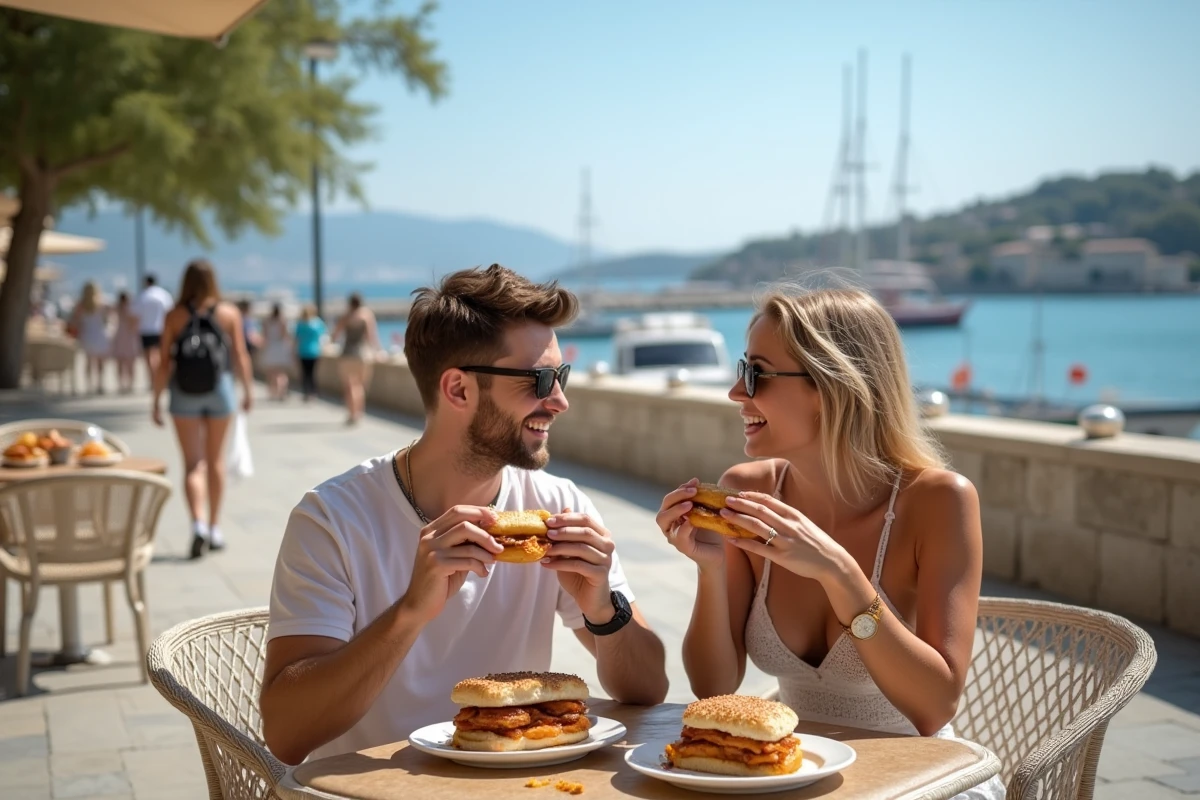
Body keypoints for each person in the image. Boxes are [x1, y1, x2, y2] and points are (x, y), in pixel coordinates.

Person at [260, 264, 669, 765]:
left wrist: (604, 610)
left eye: (560, 375)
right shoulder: (333, 520)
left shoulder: (558, 505)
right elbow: (286, 734)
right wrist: (411, 611)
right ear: (458, 390)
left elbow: (649, 689)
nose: (560, 400)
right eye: (540, 379)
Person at [656, 286, 1004, 800]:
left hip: (919, 781)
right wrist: (711, 569)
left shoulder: (938, 501)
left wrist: (838, 574)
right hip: (796, 775)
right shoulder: (748, 491)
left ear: (830, 385)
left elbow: (934, 708)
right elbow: (714, 689)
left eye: (755, 373)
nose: (735, 392)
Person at [152, 259, 254, 560]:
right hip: (220, 390)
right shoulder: (228, 313)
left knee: (193, 463)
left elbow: (163, 363)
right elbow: (240, 356)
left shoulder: (174, 316)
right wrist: (248, 392)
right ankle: (215, 527)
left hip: (183, 393)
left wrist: (155, 401)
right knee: (216, 460)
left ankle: (196, 523)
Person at [332, 292, 381, 425]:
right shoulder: (367, 315)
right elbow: (372, 337)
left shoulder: (346, 316)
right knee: (360, 385)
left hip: (347, 354)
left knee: (349, 386)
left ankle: (352, 413)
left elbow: (335, 335)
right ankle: (359, 412)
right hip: (363, 355)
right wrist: (378, 351)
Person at [67, 281, 111, 394]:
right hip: (100, 334)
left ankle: (89, 385)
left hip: (87, 335)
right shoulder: (103, 303)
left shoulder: (80, 305)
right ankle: (100, 384)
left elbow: (75, 321)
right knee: (100, 362)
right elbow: (106, 320)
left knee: (88, 361)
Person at [134, 274, 174, 388]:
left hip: (146, 329)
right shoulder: (163, 295)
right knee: (160, 355)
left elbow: (135, 315)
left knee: (149, 357)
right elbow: (170, 312)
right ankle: (160, 378)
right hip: (161, 329)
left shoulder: (143, 295)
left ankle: (153, 379)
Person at [111, 291, 143, 394]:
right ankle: (129, 384)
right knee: (130, 363)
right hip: (129, 337)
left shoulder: (118, 309)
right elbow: (135, 324)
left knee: (121, 362)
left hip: (121, 335)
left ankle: (122, 384)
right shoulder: (131, 309)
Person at [260, 303, 293, 401]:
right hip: (280, 346)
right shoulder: (282, 320)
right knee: (281, 372)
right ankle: (282, 391)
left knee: (271, 372)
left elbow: (264, 335)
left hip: (271, 346)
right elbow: (285, 335)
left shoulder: (267, 321)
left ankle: (273, 391)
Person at [294, 305, 327, 402]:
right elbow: (324, 336)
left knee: (305, 374)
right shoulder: (318, 323)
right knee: (312, 373)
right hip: (314, 351)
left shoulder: (300, 324)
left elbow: (296, 338)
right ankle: (313, 392)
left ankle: (306, 392)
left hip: (303, 351)